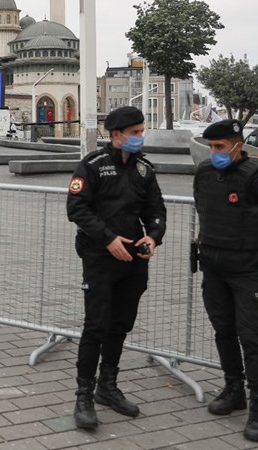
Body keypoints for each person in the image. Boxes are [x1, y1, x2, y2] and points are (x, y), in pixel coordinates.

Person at [66, 106, 166, 430]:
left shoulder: (144, 170)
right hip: (100, 256)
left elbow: (157, 211)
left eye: (141, 131)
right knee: (96, 325)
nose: (140, 137)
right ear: (117, 134)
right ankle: (84, 395)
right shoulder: (93, 165)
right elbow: (76, 208)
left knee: (120, 324)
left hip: (133, 260)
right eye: (135, 132)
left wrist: (152, 237)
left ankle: (107, 386)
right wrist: (108, 239)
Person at [193, 119, 258, 442]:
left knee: (251, 337)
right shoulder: (205, 173)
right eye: (211, 147)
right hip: (213, 267)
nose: (215, 153)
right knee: (223, 331)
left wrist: (248, 243)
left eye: (220, 147)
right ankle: (233, 389)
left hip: (246, 271)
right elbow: (203, 212)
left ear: (238, 144)